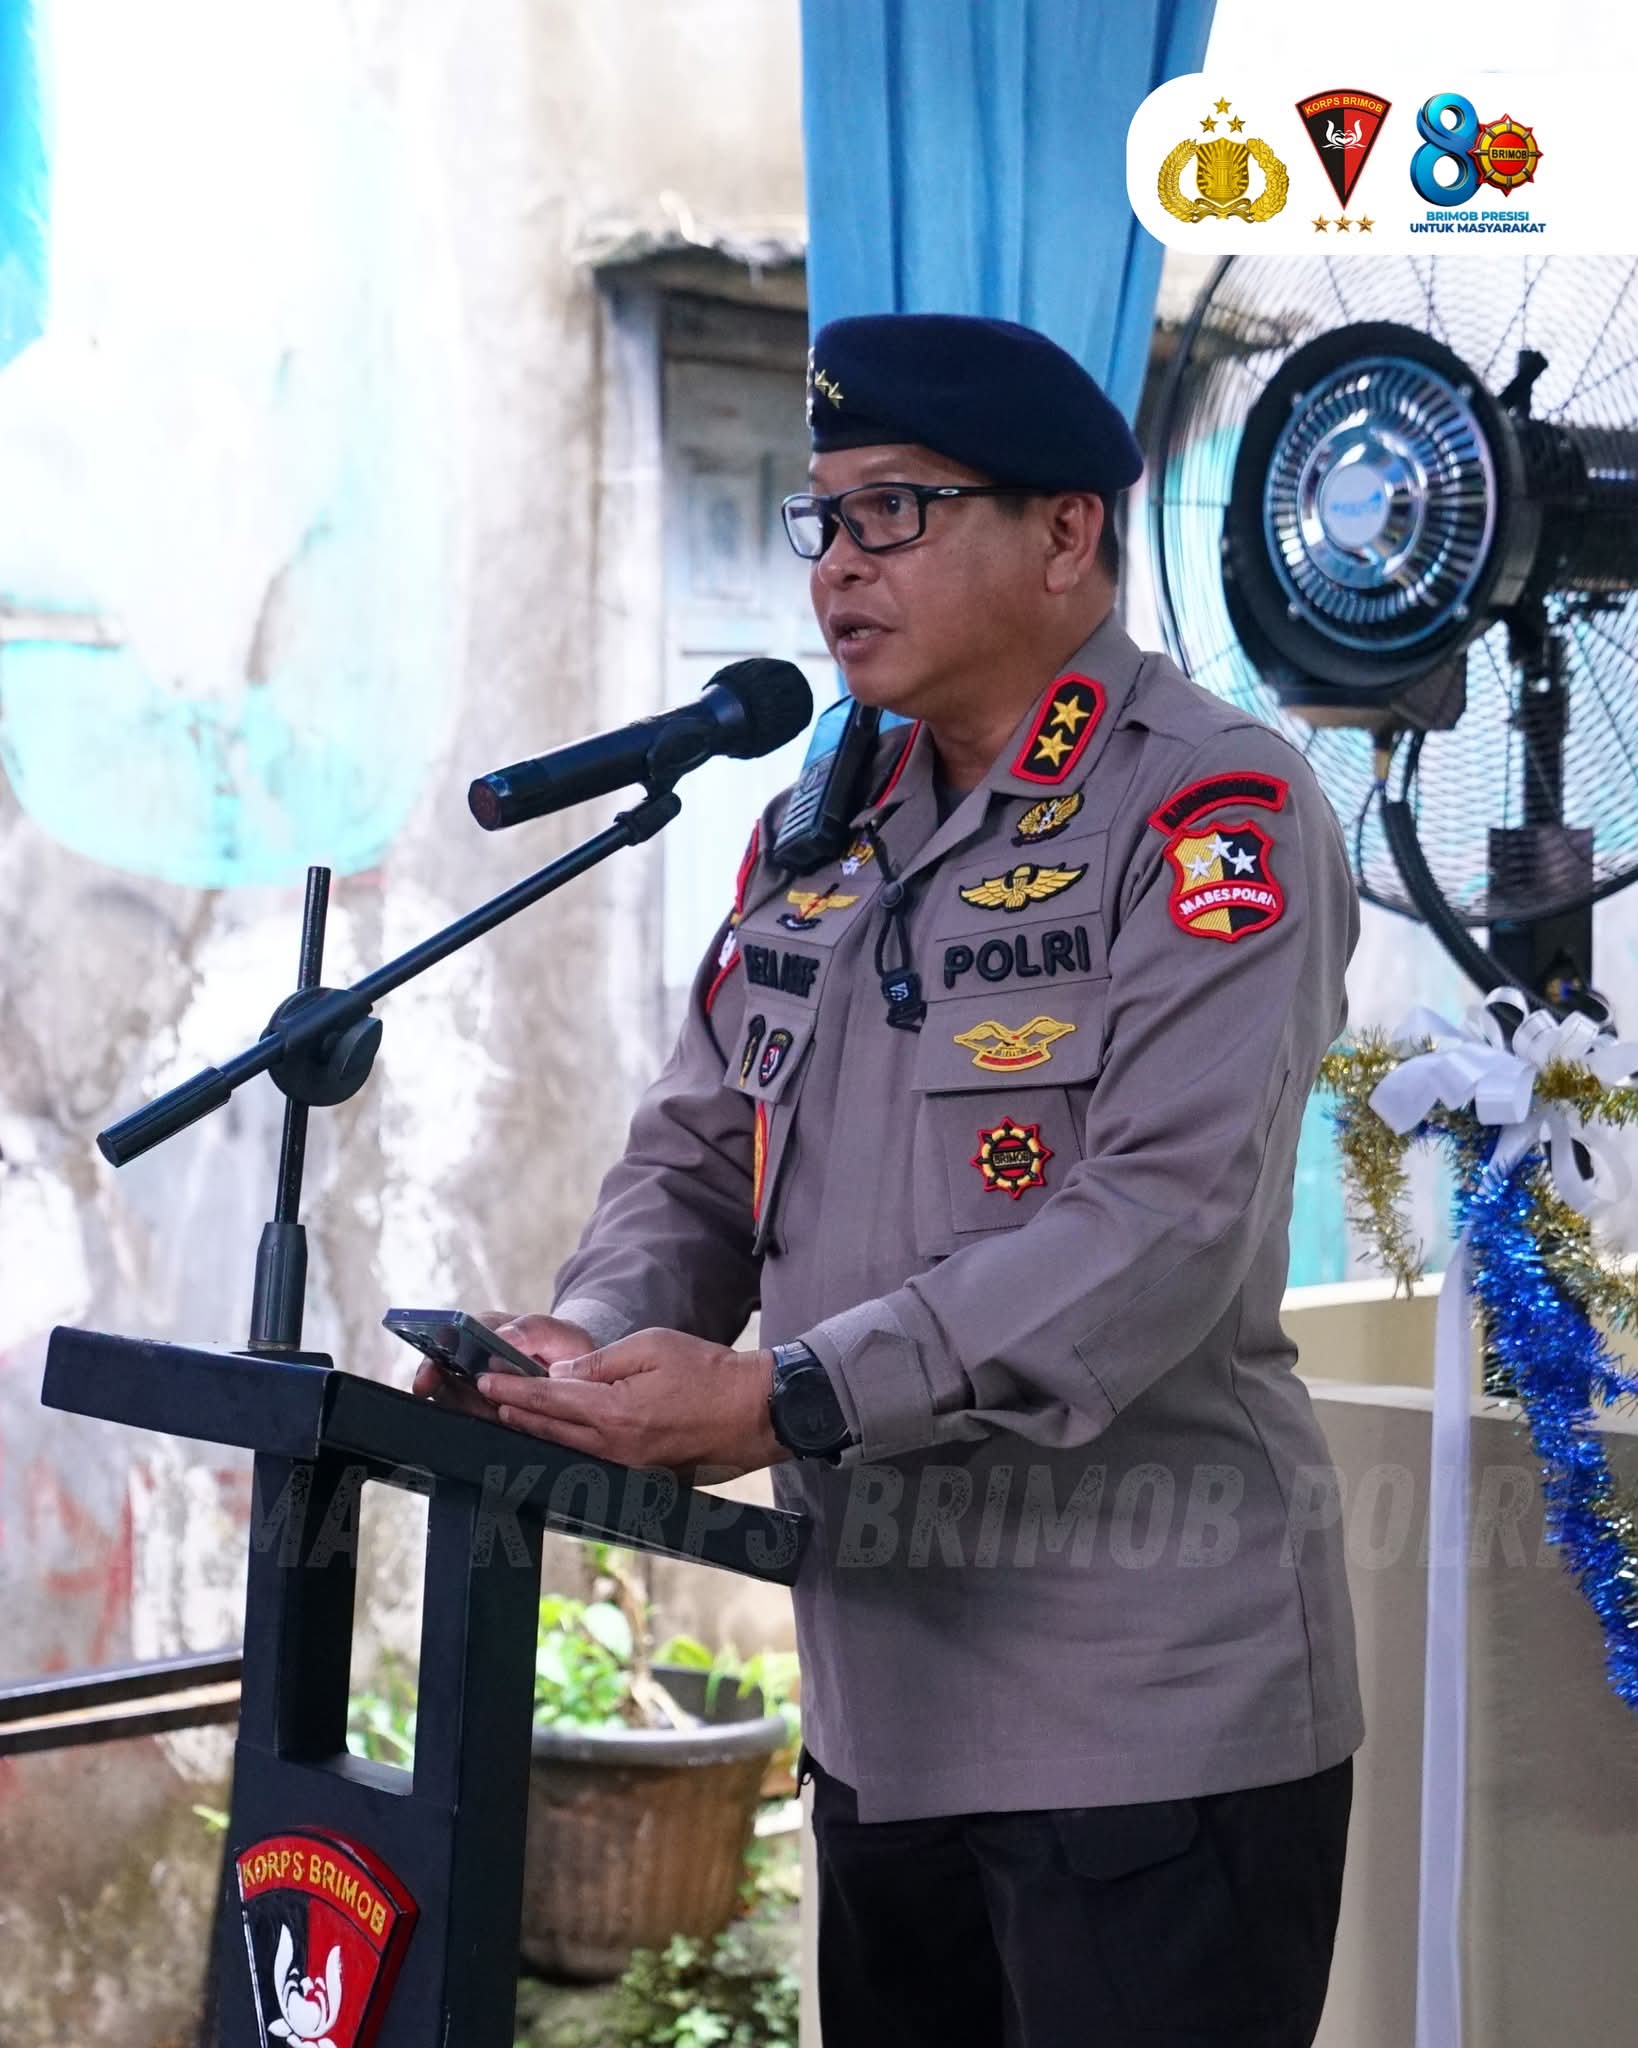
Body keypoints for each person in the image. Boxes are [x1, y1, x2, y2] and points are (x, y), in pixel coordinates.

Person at [412, 312, 1364, 2047]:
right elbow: (701, 1148)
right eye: (821, 521)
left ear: (1066, 532)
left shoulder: (1212, 815)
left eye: (894, 516)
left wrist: (788, 1394)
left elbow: (1161, 1222)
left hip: (1142, 1718)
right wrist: (587, 1341)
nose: (836, 571)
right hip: (879, 1707)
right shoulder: (815, 829)